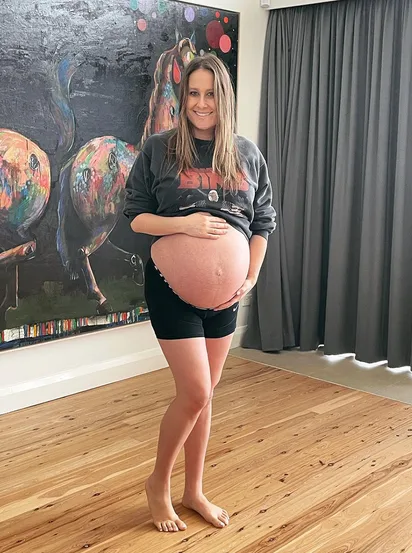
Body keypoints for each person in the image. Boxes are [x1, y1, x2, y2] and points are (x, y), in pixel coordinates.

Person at [123, 54, 276, 532]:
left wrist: (248, 276)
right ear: (182, 97)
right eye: (193, 93)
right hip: (171, 288)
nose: (201, 103)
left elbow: (263, 224)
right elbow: (137, 217)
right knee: (194, 391)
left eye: (210, 94)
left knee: (206, 396)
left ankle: (194, 491)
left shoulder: (247, 155)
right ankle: (158, 484)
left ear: (223, 98)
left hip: (228, 296)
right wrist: (184, 222)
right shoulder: (159, 150)